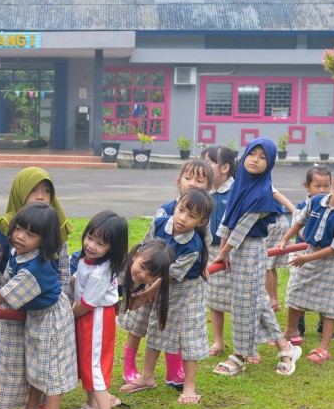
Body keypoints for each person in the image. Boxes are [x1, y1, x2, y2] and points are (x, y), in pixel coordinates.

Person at [0, 167, 71, 409]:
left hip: (49, 316)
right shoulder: (14, 241)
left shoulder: (38, 263)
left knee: (50, 366)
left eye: (46, 191)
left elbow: (7, 293)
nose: (40, 196)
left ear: (44, 239)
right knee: (27, 361)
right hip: (30, 311)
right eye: (33, 190)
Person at [211, 138, 302, 377]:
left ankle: (240, 355)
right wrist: (222, 250)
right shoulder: (239, 185)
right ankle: (284, 347)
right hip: (235, 250)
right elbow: (226, 221)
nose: (256, 160)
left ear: (269, 164)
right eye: (253, 154)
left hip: (250, 250)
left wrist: (222, 254)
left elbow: (241, 228)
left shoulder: (263, 193)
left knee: (244, 303)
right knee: (258, 301)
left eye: (263, 157)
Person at [121, 159, 212, 388]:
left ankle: (174, 375)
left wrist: (146, 293)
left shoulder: (192, 247)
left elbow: (168, 275)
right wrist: (140, 282)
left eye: (191, 217)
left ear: (201, 221)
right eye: (181, 210)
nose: (182, 218)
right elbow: (147, 246)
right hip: (152, 278)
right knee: (146, 323)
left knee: (169, 327)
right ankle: (145, 376)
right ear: (176, 204)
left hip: (179, 287)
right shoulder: (161, 221)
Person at [279, 167, 334, 365]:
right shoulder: (316, 201)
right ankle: (292, 331)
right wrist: (285, 239)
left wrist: (305, 259)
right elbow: (300, 220)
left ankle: (324, 347)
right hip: (310, 252)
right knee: (295, 290)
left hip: (332, 263)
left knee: (329, 305)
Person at [68, 211, 128, 409]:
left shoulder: (100, 272)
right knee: (86, 363)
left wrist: (66, 317)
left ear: (112, 247)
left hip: (96, 318)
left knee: (95, 367)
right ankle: (93, 406)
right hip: (87, 316)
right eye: (90, 238)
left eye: (100, 243)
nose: (91, 245)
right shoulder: (87, 260)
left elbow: (86, 304)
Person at [117, 239, 174, 393]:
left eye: (151, 275)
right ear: (136, 255)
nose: (143, 275)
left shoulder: (139, 280)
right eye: (142, 267)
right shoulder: (118, 272)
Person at [290, 166, 334, 340]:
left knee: (325, 289)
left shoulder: (333, 206)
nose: (322, 190)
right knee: (299, 288)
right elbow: (301, 230)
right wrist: (314, 239)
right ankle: (298, 323)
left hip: (323, 254)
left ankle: (324, 323)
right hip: (303, 253)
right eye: (318, 186)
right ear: (307, 186)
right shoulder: (302, 206)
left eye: (326, 186)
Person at [204, 146, 236, 357]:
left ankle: (247, 345)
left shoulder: (236, 191)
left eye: (208, 164)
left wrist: (229, 249)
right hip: (211, 250)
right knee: (214, 300)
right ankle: (218, 341)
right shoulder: (204, 193)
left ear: (224, 167)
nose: (203, 169)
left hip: (234, 251)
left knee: (240, 301)